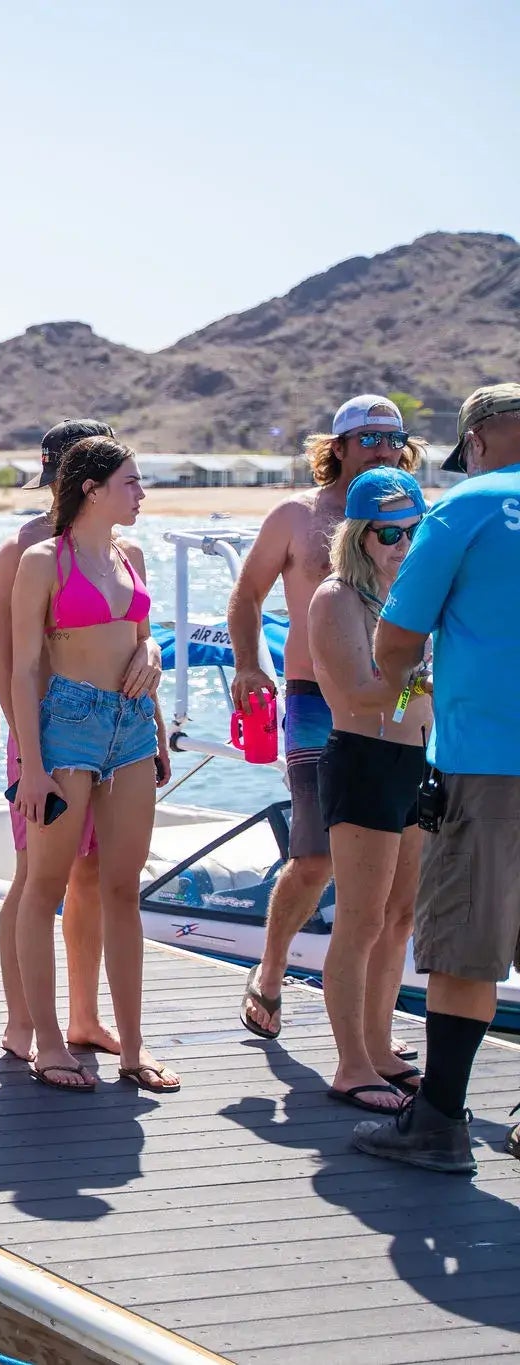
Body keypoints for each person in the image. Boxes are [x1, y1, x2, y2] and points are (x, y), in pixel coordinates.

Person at [358, 383, 520, 1173]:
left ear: (481, 438)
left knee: (462, 949)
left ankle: (439, 1123)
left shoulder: (471, 505)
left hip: (488, 761)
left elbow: (396, 637)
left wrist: (404, 681)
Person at [226, 395, 421, 1041]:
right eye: (367, 437)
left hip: (400, 709)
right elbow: (247, 593)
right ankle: (272, 970)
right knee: (313, 856)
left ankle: (372, 1028)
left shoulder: (410, 514)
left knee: (395, 886)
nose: (381, 448)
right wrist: (249, 665)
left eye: (392, 437)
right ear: (336, 446)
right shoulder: (297, 516)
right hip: (316, 699)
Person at [7, 437, 176, 1093]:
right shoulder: (43, 561)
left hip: (131, 727)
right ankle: (48, 1043)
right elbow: (24, 668)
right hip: (67, 727)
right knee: (44, 886)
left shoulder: (129, 555)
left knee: (122, 887)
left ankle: (132, 1048)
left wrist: (157, 674)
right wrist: (32, 765)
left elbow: (140, 638)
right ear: (92, 488)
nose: (141, 494)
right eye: (131, 482)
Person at [309, 468, 432, 1115]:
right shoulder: (337, 598)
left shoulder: (408, 597)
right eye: (389, 533)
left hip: (415, 761)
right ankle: (351, 1062)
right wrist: (429, 678)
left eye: (414, 531)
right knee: (359, 918)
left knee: (400, 916)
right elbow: (361, 690)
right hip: (363, 760)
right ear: (359, 534)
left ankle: (381, 1047)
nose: (402, 544)